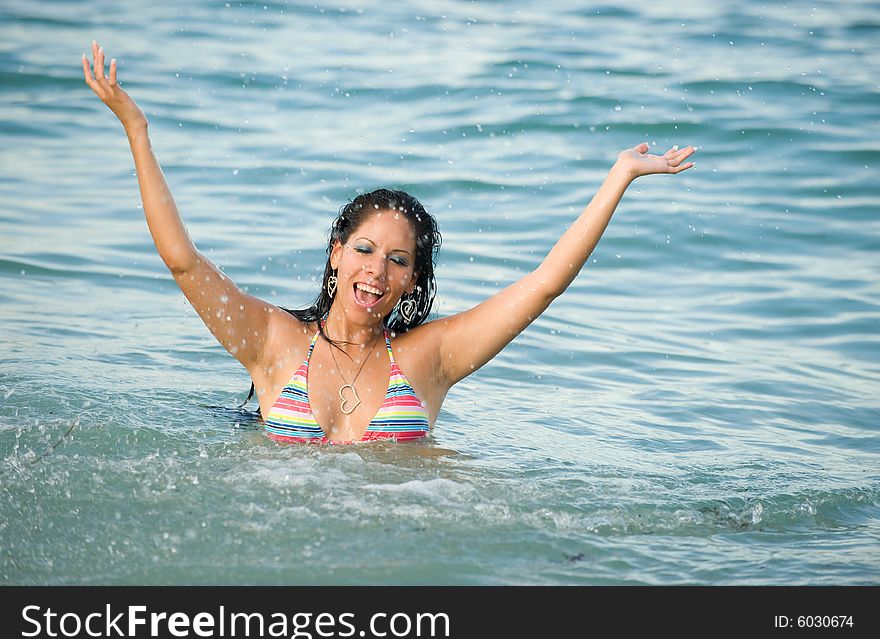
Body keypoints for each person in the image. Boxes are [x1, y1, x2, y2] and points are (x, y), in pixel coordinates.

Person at [82, 40, 696, 445]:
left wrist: (619, 177)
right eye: (366, 250)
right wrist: (137, 130)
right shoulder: (273, 343)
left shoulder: (429, 360)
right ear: (336, 253)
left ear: (412, 280)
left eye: (399, 261)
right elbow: (182, 261)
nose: (377, 270)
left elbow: (544, 284)